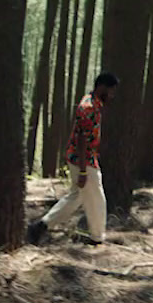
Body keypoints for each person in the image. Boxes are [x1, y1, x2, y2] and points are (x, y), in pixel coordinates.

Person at [26, 73, 119, 245]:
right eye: (111, 91)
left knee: (76, 196)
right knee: (97, 198)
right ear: (102, 87)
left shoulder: (91, 102)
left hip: (81, 158)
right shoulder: (89, 108)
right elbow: (82, 139)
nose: (112, 96)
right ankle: (97, 238)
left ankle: (41, 226)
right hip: (83, 160)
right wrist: (83, 170)